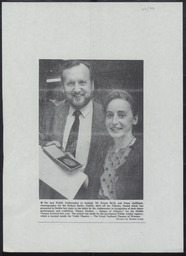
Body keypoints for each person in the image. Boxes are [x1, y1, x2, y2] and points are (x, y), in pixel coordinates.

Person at [39, 60, 105, 199]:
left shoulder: (106, 116)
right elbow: (37, 140)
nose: (76, 89)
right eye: (70, 83)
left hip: (90, 198)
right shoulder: (51, 113)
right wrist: (46, 146)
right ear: (63, 87)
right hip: (55, 196)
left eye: (82, 82)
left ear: (92, 85)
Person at [88, 90, 143, 200]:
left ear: (135, 119)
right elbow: (91, 185)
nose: (114, 121)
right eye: (109, 115)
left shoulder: (144, 154)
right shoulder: (102, 148)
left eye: (121, 115)